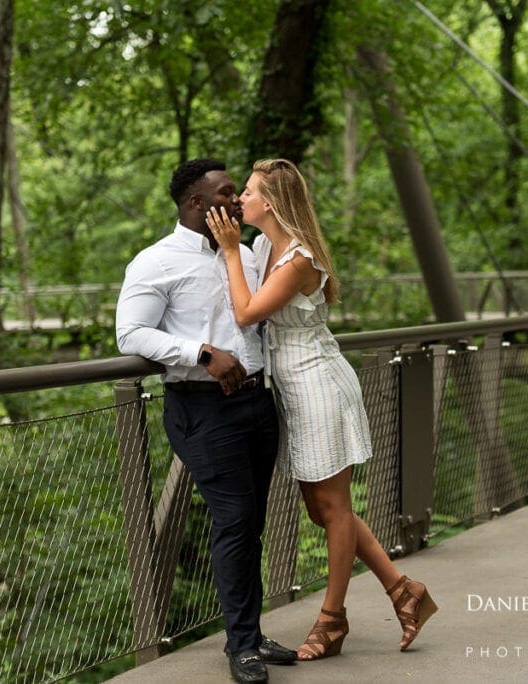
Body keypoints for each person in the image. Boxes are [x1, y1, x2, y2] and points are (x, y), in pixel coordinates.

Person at [205, 158, 438, 661]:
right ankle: (404, 590)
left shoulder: (299, 260)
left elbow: (247, 313)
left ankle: (332, 621)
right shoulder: (265, 245)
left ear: (269, 202)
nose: (238, 200)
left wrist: (227, 252)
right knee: (323, 509)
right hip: (290, 387)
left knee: (332, 509)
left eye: (247, 192)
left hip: (318, 385)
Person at [116, 158, 298, 683]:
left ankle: (251, 632)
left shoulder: (243, 254)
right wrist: (200, 352)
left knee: (252, 524)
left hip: (257, 405)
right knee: (235, 520)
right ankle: (240, 646)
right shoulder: (156, 261)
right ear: (197, 204)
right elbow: (130, 335)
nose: (238, 200)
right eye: (226, 192)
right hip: (201, 409)